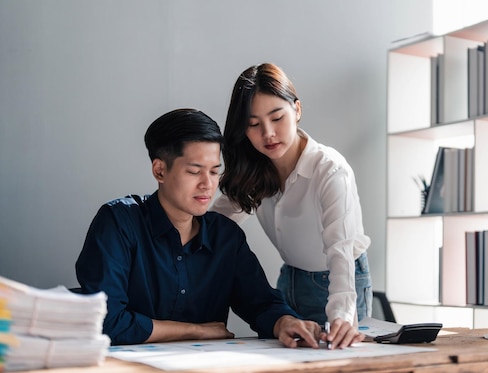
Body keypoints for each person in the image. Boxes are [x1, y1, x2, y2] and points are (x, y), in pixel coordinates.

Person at [75, 108, 323, 347]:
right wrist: (196, 331)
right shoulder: (118, 223)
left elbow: (261, 303)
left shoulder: (226, 237)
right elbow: (107, 321)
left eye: (215, 172)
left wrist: (286, 323)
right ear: (160, 170)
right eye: (195, 171)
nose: (207, 184)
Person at [210, 63, 371, 349]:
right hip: (289, 278)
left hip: (338, 280)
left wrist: (343, 314)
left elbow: (340, 250)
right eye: (254, 124)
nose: (268, 133)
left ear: (296, 110)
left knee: (335, 358)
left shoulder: (330, 170)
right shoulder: (253, 171)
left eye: (277, 117)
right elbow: (215, 226)